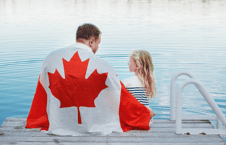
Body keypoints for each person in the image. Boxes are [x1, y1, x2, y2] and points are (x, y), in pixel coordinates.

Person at [25, 23, 154, 136]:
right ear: (91, 41)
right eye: (98, 43)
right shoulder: (103, 66)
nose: (97, 48)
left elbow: (41, 96)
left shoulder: (50, 59)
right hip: (92, 124)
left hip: (58, 124)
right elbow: (122, 99)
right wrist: (145, 113)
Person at [122, 50, 157, 124]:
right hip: (146, 121)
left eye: (130, 61)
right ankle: (149, 112)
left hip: (131, 120)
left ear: (137, 65)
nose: (128, 63)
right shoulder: (149, 83)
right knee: (146, 107)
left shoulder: (127, 82)